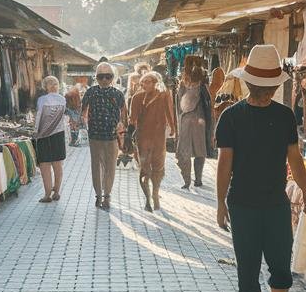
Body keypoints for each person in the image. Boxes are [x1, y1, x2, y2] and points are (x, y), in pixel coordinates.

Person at [215, 44, 306, 292]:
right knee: (247, 267)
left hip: (275, 203)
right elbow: (224, 163)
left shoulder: (284, 116)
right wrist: (219, 203)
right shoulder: (231, 116)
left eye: (269, 86)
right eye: (261, 86)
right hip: (242, 203)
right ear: (249, 84)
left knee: (281, 266)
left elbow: (295, 159)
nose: (265, 92)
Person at [129, 71, 175, 211]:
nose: (144, 84)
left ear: (155, 82)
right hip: (143, 138)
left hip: (158, 138)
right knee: (144, 169)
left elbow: (169, 113)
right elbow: (132, 119)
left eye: (147, 82)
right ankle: (147, 199)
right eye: (142, 82)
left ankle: (155, 193)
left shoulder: (164, 95)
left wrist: (173, 129)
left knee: (158, 168)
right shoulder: (136, 97)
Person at [82, 62, 126, 210]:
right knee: (96, 166)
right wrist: (84, 124)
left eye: (108, 76)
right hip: (95, 135)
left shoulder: (118, 94)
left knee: (110, 167)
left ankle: (107, 196)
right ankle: (98, 196)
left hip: (112, 136)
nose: (105, 80)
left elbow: (124, 114)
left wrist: (121, 126)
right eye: (101, 77)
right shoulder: (91, 92)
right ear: (96, 77)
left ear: (113, 77)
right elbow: (83, 111)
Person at [175, 61, 214, 189]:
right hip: (198, 122)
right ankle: (196, 179)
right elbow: (209, 106)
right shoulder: (202, 86)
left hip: (189, 122)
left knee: (188, 152)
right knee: (199, 151)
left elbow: (178, 107)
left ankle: (189, 180)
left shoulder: (184, 86)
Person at [32, 76, 67, 203]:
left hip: (44, 135)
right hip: (58, 134)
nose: (53, 85)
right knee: (57, 164)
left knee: (45, 165)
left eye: (55, 83)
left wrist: (35, 133)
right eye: (52, 83)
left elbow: (39, 118)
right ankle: (55, 192)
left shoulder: (42, 100)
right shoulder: (63, 99)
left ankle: (48, 194)